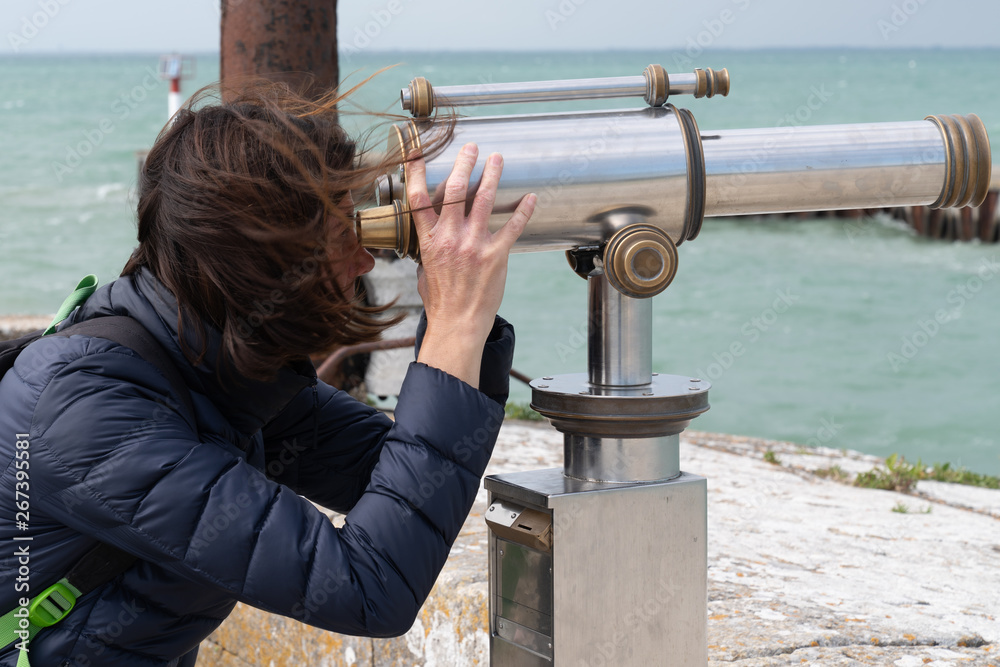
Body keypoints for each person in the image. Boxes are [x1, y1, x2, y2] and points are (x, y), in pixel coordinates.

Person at [0, 80, 536, 666]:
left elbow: (406, 476)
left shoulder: (206, 362)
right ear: (267, 262)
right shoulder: (90, 411)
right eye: (341, 233)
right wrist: (457, 327)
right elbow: (367, 587)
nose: (365, 259)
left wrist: (460, 313)